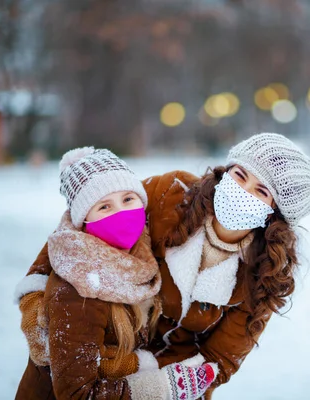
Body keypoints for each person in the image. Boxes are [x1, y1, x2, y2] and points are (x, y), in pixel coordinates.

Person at [16, 133, 310, 398]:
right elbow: (86, 221)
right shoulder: (171, 194)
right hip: (88, 357)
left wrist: (162, 384)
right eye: (240, 175)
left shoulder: (265, 276)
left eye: (261, 191)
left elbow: (220, 358)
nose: (243, 191)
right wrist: (36, 300)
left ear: (274, 214)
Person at [15, 147, 216, 400]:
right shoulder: (78, 286)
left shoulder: (141, 254)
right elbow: (77, 394)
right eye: (104, 206)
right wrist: (161, 388)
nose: (120, 212)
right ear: (83, 221)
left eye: (128, 199)